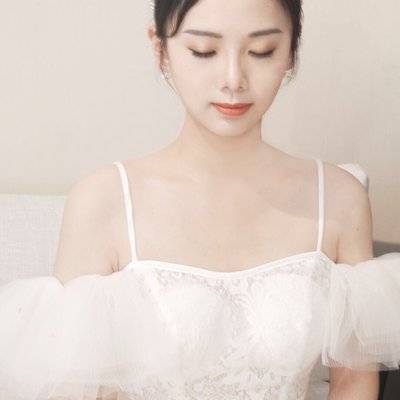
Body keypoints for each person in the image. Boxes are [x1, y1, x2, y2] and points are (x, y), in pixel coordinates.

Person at [1, 0, 399, 399]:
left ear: (292, 50)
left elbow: (354, 383)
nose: (233, 79)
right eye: (204, 51)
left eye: (261, 51)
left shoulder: (339, 199)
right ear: (160, 49)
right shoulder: (104, 200)